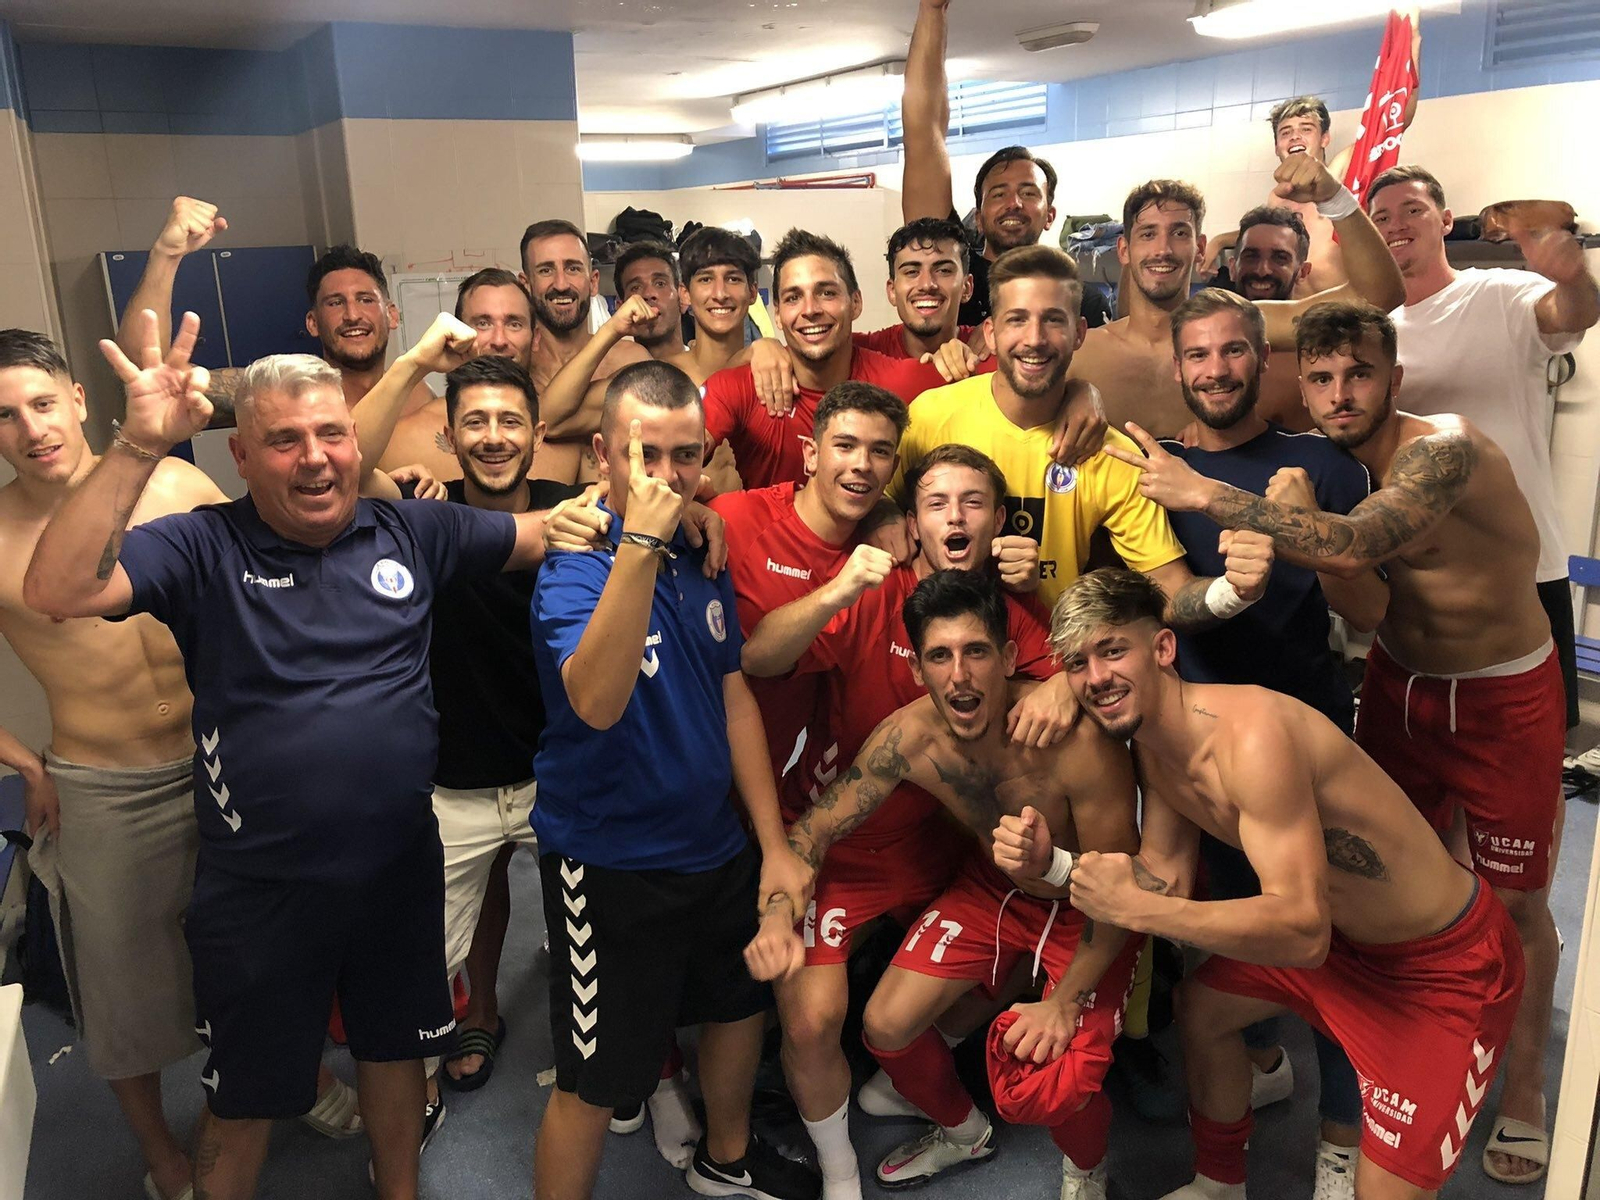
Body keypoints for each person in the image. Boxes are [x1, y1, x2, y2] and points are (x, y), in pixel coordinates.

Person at [22, 312, 564, 1200]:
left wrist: (679, 514)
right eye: (283, 440)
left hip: (397, 867)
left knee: (396, 1056)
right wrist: (134, 446)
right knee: (246, 1099)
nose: (314, 457)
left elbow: (546, 533)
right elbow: (58, 588)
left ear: (358, 439)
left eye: (331, 433)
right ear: (241, 456)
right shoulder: (204, 544)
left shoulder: (407, 533)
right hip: (263, 887)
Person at [1107, 300, 1566, 1190]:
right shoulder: (1330, 466)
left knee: (1515, 902)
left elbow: (1356, 549)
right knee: (1381, 882)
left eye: (1359, 373)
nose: (1339, 392)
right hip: (1400, 683)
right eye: (1320, 377)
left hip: (1504, 687)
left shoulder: (1445, 448)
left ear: (1396, 378)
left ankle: (1528, 1088)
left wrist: (1211, 494)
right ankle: (1383, 1053)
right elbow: (1361, 601)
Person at [1046, 566, 1523, 1200]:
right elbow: (1165, 876)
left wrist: (1138, 907)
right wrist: (1052, 866)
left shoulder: (1252, 737)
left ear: (1162, 649)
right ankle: (1218, 1186)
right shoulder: (1153, 748)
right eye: (1077, 664)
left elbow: (1300, 934)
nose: (1097, 678)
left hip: (1444, 970)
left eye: (1112, 651)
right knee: (1204, 1008)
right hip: (1341, 942)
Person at [740, 445, 1074, 1199]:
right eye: (935, 503)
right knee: (812, 1020)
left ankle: (917, 1061)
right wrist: (835, 590)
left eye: (973, 503)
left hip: (948, 849)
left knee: (1030, 937)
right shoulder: (869, 590)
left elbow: (1088, 679)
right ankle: (837, 1175)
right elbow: (758, 658)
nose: (955, 518)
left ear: (999, 521)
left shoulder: (1012, 617)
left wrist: (1062, 689)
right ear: (910, 522)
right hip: (846, 842)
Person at [746, 569, 1143, 1200]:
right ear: (916, 671)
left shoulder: (1078, 744)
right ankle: (964, 1132)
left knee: (1055, 1075)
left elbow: (1122, 891)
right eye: (939, 656)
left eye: (976, 652)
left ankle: (1085, 1176)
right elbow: (813, 832)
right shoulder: (909, 737)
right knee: (884, 1026)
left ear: (1010, 658)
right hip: (995, 890)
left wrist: (1063, 1002)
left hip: (1087, 908)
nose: (959, 676)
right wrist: (774, 915)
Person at [529, 358, 818, 1200]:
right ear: (602, 455)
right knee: (595, 1081)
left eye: (685, 456)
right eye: (644, 455)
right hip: (610, 859)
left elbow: (734, 701)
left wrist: (770, 845)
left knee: (737, 1006)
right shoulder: (573, 563)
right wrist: (644, 545)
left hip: (713, 842)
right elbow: (597, 701)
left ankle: (725, 1158)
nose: (667, 477)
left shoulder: (705, 547)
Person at [1158, 286, 1389, 1198]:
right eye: (1199, 355)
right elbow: (1150, 604)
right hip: (1202, 749)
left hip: (1310, 741)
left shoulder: (1320, 465)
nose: (1216, 370)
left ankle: (1339, 1150)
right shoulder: (1153, 466)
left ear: (1263, 359)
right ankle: (1257, 1069)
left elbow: (1370, 608)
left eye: (1232, 352)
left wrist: (1290, 532)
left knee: (1331, 949)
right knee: (1227, 936)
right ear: (1178, 368)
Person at [884, 244, 1274, 618]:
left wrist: (1232, 592)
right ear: (990, 333)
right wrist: (882, 521)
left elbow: (1170, 592)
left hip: (1055, 666)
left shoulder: (1113, 455)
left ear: (1079, 333)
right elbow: (875, 510)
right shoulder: (932, 415)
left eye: (1053, 320)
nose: (1034, 339)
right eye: (1017, 319)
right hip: (940, 656)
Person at [1373, 164, 1598, 767]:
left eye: (1412, 210)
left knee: (1532, 762)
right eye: (1382, 218)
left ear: (1445, 221)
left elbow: (1570, 314)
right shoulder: (1379, 334)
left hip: (1524, 567)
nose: (1397, 226)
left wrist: (1574, 276)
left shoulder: (1498, 292)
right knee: (1426, 760)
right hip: (1420, 575)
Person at [115, 200, 458, 484]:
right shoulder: (277, 396)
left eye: (366, 299)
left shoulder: (442, 407)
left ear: (392, 315)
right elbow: (149, 368)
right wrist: (165, 256)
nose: (353, 314)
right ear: (312, 322)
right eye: (335, 302)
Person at [1067, 157, 1405, 440]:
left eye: (1179, 233)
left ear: (1200, 248)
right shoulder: (1081, 354)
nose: (1163, 249)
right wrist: (1076, 394)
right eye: (1148, 234)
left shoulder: (1242, 326)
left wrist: (1335, 198)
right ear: (1124, 250)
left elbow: (1378, 297)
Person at [699, 229, 954, 492]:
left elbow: (993, 382)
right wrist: (693, 509)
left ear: (855, 303)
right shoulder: (739, 388)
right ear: (777, 313)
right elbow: (671, 449)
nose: (810, 310)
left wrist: (971, 344)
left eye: (827, 293)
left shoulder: (900, 379)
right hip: (773, 531)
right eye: (793, 297)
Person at [1201, 30, 1423, 296]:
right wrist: (1218, 241)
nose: (1295, 135)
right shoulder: (1277, 196)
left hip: (1343, 314)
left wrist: (1410, 36)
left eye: (1306, 129)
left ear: (1325, 138)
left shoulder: (1341, 173)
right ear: (1277, 147)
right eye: (1286, 132)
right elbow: (1264, 237)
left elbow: (1396, 120)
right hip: (1294, 315)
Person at [898, 0, 1058, 326]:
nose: (1013, 203)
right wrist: (931, 12)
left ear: (1050, 214)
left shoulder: (1073, 293)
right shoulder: (950, 271)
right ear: (980, 218)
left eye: (1028, 193)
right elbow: (923, 135)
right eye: (998, 194)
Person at [521, 218, 653, 485]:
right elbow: (546, 418)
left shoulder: (630, 358)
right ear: (526, 284)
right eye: (546, 270)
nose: (560, 284)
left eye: (572, 268)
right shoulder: (517, 368)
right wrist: (612, 329)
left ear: (593, 281)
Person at [853, 218, 983, 361]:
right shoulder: (859, 353)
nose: (927, 285)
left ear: (967, 287)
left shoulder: (992, 348)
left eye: (943, 271)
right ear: (892, 291)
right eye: (911, 272)